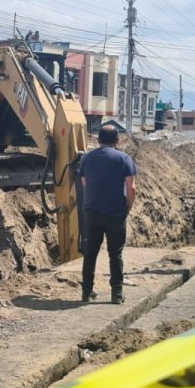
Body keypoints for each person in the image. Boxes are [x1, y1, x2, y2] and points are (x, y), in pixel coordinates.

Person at [80, 125, 136, 304]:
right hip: (115, 213)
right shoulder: (124, 158)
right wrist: (127, 207)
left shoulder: (87, 158)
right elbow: (131, 187)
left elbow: (84, 182)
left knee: (90, 253)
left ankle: (86, 292)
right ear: (117, 141)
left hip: (92, 213)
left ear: (98, 140)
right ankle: (117, 294)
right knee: (116, 253)